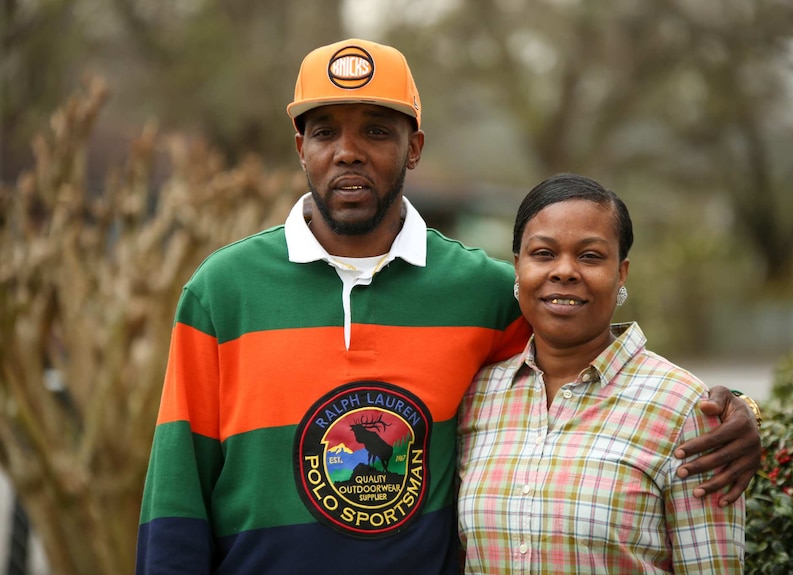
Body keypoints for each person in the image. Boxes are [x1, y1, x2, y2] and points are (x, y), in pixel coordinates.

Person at [135, 39, 759, 575]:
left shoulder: (485, 292)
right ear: (300, 146)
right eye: (326, 131)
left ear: (414, 148)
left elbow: (591, 368)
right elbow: (177, 494)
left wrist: (739, 412)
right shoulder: (222, 290)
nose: (348, 151)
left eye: (377, 131)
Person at [457, 172, 745, 573]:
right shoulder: (477, 397)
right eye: (543, 253)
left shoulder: (683, 407)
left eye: (590, 256)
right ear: (517, 267)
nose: (565, 271)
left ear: (622, 272)